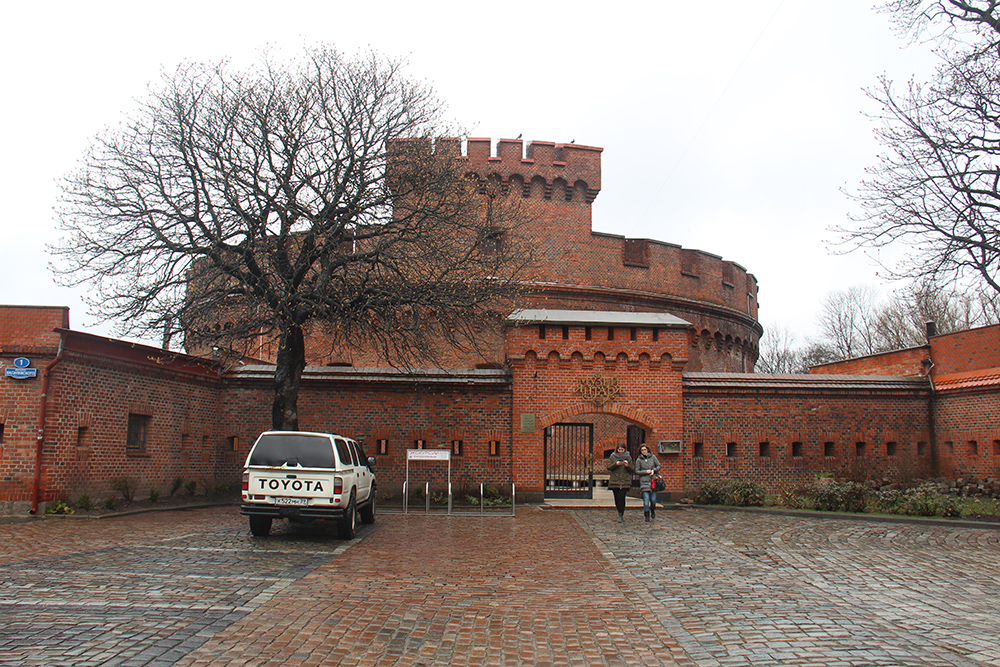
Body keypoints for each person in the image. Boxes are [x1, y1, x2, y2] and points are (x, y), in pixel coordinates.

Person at [606, 443, 633, 522]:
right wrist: (616, 464)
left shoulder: (628, 457)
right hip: (615, 481)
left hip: (625, 481)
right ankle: (619, 511)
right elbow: (609, 467)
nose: (621, 451)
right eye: (619, 449)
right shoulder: (613, 456)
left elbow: (632, 469)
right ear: (617, 449)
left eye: (622, 449)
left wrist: (628, 465)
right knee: (617, 499)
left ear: (625, 449)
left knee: (622, 497)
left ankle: (621, 514)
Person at [634, 444, 661, 521]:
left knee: (653, 500)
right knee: (646, 500)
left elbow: (659, 466)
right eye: (642, 450)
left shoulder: (653, 457)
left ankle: (652, 510)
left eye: (645, 450)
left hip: (653, 481)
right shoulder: (639, 460)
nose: (644, 451)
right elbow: (637, 471)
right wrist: (645, 472)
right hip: (644, 482)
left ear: (648, 450)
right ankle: (646, 514)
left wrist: (654, 470)